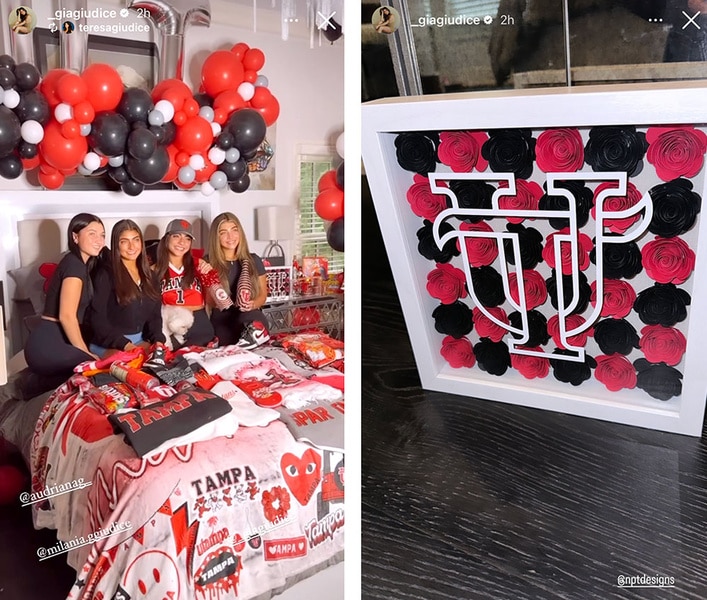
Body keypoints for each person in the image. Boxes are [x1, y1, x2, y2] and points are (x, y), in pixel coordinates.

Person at [25, 213, 105, 377]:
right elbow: (67, 316)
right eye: (92, 234)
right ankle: (18, 388)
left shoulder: (81, 265)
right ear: (75, 237)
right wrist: (85, 352)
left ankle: (29, 383)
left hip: (56, 340)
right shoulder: (74, 265)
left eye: (102, 235)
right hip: (47, 343)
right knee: (94, 370)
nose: (99, 240)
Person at [88, 220, 165, 357]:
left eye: (136, 240)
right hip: (110, 343)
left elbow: (155, 317)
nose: (131, 246)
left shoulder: (150, 276)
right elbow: (98, 319)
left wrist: (158, 340)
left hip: (139, 341)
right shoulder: (105, 274)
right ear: (116, 244)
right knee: (129, 369)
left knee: (166, 366)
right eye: (124, 241)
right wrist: (125, 345)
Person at [207, 212, 269, 346]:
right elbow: (204, 300)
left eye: (234, 230)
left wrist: (253, 304)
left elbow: (263, 295)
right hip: (222, 322)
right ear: (216, 237)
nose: (231, 237)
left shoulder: (253, 260)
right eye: (223, 232)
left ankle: (255, 335)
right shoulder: (207, 263)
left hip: (249, 319)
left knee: (252, 317)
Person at [154, 219, 214, 348]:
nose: (182, 242)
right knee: (173, 360)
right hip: (171, 325)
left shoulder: (199, 264)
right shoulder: (155, 270)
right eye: (176, 236)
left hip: (199, 323)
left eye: (187, 238)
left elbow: (214, 300)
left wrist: (209, 276)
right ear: (166, 239)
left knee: (198, 361)